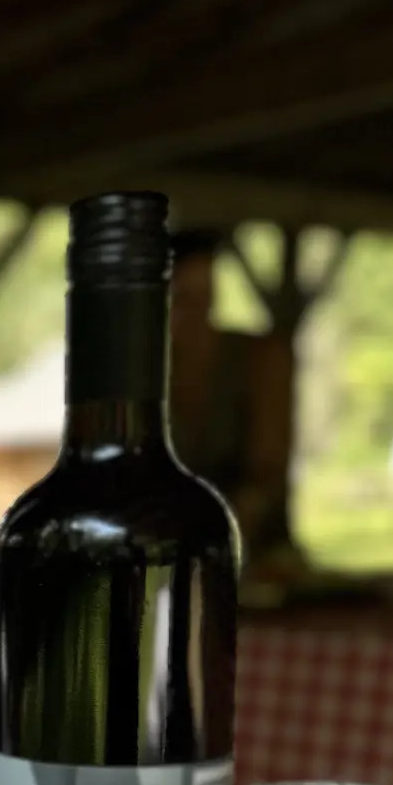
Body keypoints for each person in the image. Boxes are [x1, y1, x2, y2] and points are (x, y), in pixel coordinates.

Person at [169, 229, 300, 577]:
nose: (193, 314)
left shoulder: (258, 360)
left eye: (203, 298)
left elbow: (267, 469)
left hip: (254, 556)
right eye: (182, 299)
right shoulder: (141, 374)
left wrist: (224, 536)